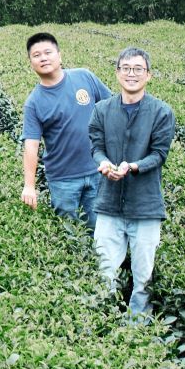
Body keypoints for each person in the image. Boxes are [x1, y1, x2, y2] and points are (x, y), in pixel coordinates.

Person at [89, 47, 173, 321]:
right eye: (126, 68)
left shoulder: (161, 112)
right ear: (117, 73)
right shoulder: (102, 110)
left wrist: (133, 166)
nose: (131, 74)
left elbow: (159, 154)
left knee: (143, 278)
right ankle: (104, 324)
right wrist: (104, 164)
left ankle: (139, 332)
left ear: (148, 75)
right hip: (109, 205)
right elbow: (97, 147)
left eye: (138, 69)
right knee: (104, 272)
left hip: (145, 207)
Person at [20, 31, 112, 228]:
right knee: (70, 238)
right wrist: (29, 186)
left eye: (48, 52)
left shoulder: (84, 77)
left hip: (98, 171)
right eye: (36, 55)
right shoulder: (33, 103)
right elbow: (31, 147)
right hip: (63, 180)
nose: (43, 58)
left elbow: (113, 110)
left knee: (102, 232)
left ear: (59, 56)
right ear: (31, 63)